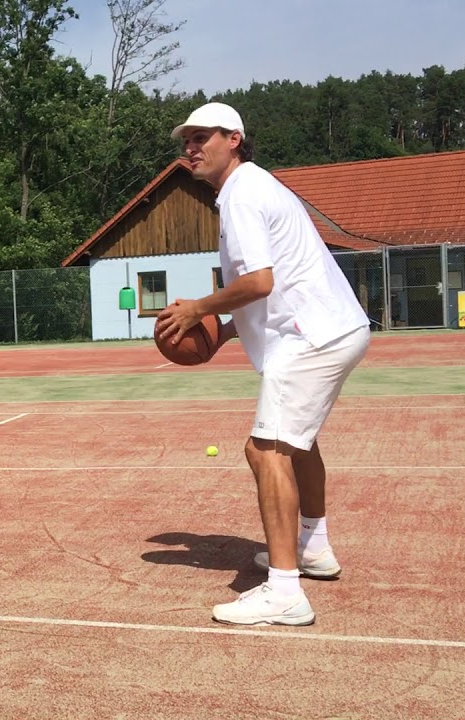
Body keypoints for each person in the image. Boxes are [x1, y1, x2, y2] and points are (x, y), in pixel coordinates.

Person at [155, 102, 370, 626]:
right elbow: (269, 288)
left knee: (264, 450)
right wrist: (223, 331)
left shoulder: (242, 195)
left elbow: (259, 283)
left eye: (201, 137)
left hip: (308, 338)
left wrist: (198, 309)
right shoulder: (256, 186)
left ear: (233, 138)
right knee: (298, 444)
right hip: (333, 327)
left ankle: (284, 592)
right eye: (187, 139)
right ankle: (313, 548)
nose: (191, 148)